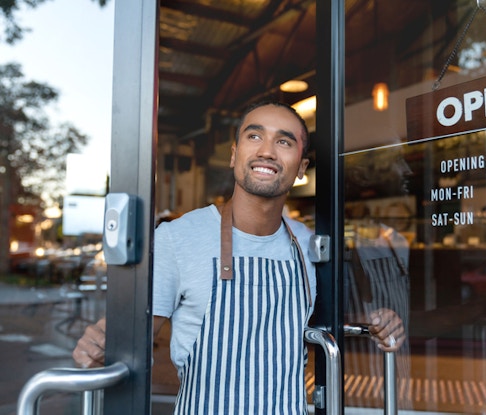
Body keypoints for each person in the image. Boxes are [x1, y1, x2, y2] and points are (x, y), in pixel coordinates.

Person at [73, 101, 405, 414]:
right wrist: (100, 344)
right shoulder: (178, 238)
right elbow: (133, 337)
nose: (266, 151)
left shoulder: (308, 244)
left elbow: (343, 320)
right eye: (255, 136)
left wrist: (381, 324)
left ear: (301, 168)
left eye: (284, 142)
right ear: (234, 155)